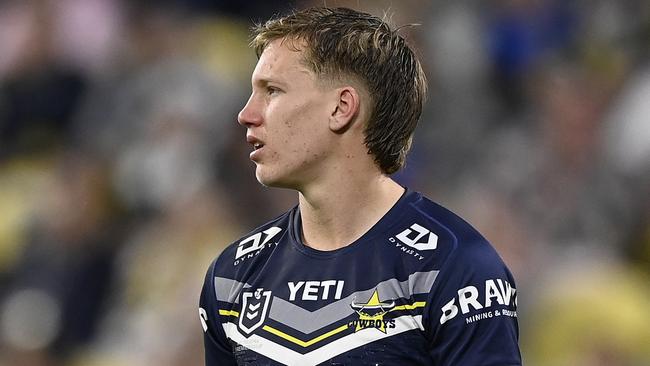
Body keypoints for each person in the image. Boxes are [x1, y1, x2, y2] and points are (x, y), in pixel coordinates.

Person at [199, 7, 521, 366]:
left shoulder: (455, 268)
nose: (246, 114)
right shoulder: (233, 277)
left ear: (342, 107)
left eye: (272, 91)